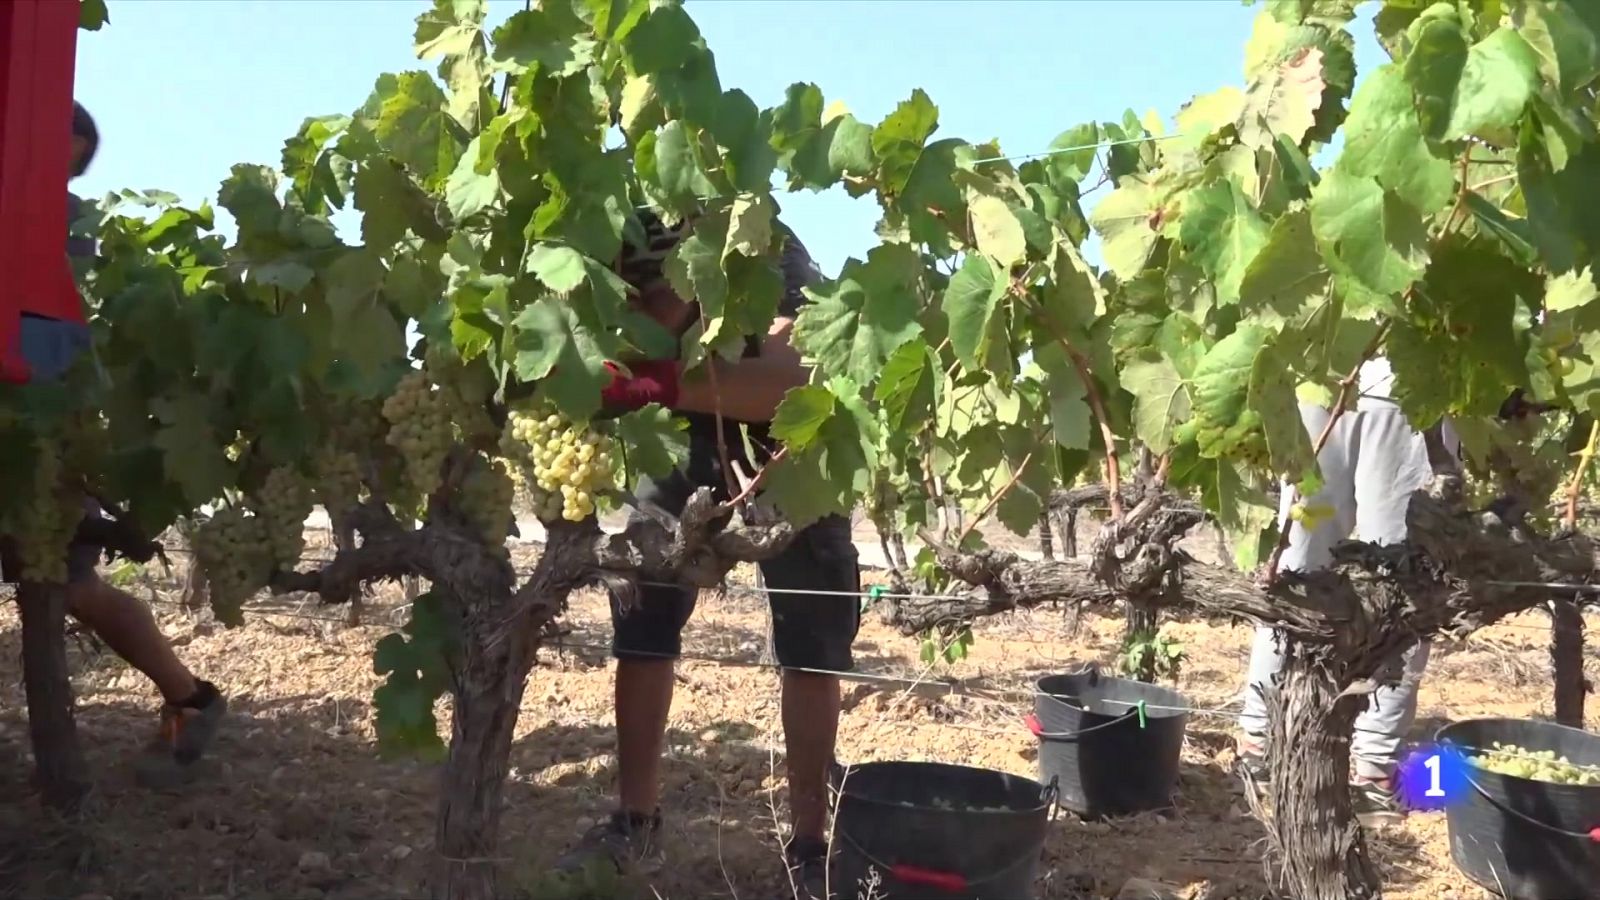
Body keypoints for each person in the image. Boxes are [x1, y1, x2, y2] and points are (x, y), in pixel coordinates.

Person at [553, 209, 859, 896]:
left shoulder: (761, 237)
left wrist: (656, 374)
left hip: (787, 438)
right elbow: (608, 341)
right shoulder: (614, 223)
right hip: (677, 428)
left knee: (812, 638)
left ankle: (809, 846)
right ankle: (635, 822)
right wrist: (658, 346)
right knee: (640, 614)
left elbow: (797, 372)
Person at [0, 102, 228, 785]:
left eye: (71, 165)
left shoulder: (59, 226)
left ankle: (192, 699)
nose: (58, 176)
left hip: (41, 415)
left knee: (70, 584)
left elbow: (56, 334)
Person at [1234, 357, 1458, 825]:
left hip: (1320, 373)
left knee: (1294, 571)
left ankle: (1259, 743)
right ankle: (1373, 770)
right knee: (1405, 585)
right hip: (1410, 387)